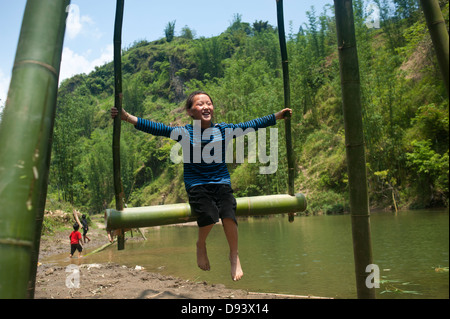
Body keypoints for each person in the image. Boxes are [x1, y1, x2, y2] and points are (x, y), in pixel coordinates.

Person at [111, 91, 292, 281]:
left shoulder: (223, 130)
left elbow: (250, 125)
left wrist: (277, 116)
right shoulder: (185, 133)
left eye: (209, 103)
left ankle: (234, 255)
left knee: (229, 212)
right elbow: (158, 128)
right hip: (197, 184)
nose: (206, 106)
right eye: (200, 104)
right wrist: (126, 117)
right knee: (209, 214)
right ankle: (201, 244)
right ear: (190, 112)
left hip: (221, 181)